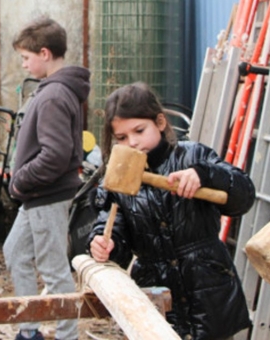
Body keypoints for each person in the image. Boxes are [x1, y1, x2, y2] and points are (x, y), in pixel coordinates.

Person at [87, 82, 255, 340]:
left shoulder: (192, 157)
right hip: (157, 294)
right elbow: (113, 232)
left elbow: (243, 196)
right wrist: (104, 243)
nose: (132, 142)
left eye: (139, 130)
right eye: (121, 137)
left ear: (160, 122)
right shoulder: (119, 176)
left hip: (207, 291)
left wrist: (205, 175)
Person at [3, 16, 90, 340]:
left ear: (44, 53)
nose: (24, 64)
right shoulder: (56, 90)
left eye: (26, 58)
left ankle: (67, 335)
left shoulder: (54, 95)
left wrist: (21, 180)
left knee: (54, 270)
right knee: (15, 253)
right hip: (39, 195)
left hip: (46, 194)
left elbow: (55, 155)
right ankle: (30, 331)